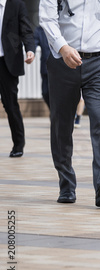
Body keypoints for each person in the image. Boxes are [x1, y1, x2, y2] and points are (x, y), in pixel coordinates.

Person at [40, 0, 100, 207]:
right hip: (62, 61)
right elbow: (46, 17)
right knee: (62, 125)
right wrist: (62, 47)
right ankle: (66, 183)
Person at [0, 0, 35, 158]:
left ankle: (18, 144)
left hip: (7, 63)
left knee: (10, 105)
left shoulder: (16, 4)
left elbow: (26, 30)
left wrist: (30, 49)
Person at [34, 26, 51, 109]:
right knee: (45, 92)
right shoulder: (40, 30)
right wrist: (30, 51)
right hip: (46, 67)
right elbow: (33, 43)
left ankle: (56, 116)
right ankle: (53, 111)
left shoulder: (63, 25)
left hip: (61, 67)